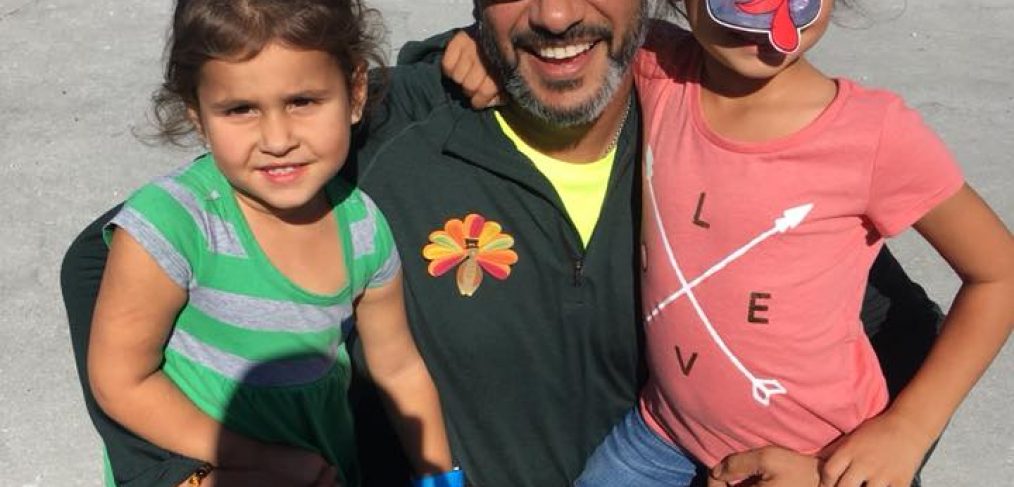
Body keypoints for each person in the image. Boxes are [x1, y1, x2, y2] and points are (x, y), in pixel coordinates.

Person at [62, 1, 950, 485]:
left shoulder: (710, 134)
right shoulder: (389, 125)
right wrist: (189, 473)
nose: (556, 14)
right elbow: (106, 260)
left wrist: (846, 461)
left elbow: (897, 330)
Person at [570, 1, 1013, 486]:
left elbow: (1000, 273)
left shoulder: (874, 134)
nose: (762, 17)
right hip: (664, 433)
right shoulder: (660, 66)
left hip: (820, 459)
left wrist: (908, 429)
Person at [82, 0, 455, 485]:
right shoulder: (173, 225)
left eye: (303, 101)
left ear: (355, 91)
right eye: (240, 109)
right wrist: (259, 459)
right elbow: (120, 381)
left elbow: (398, 368)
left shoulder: (362, 227)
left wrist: (440, 476)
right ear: (197, 113)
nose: (277, 140)